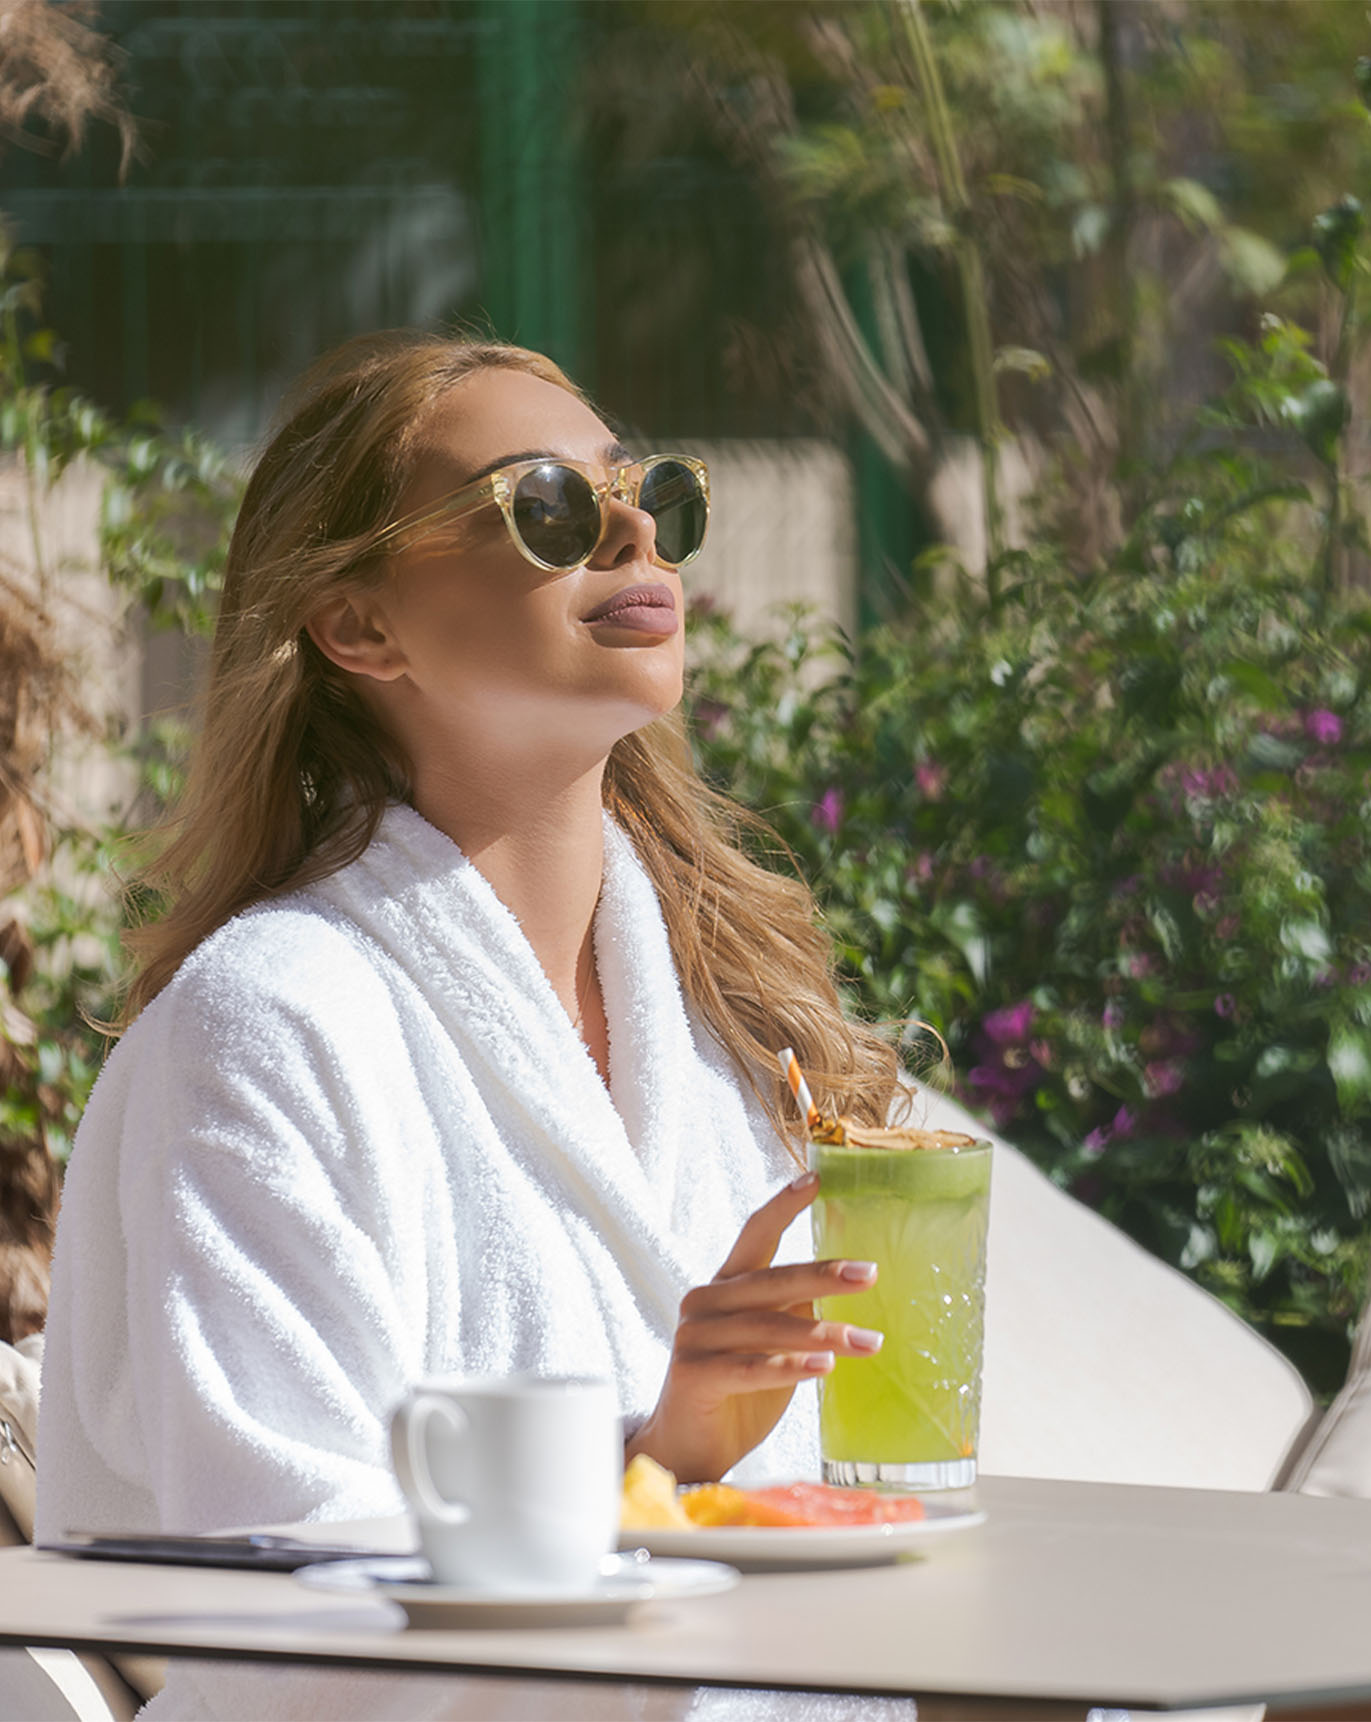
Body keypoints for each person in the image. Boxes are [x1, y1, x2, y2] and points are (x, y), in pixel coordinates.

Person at [35, 330, 911, 1719]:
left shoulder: (731, 1019)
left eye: (652, 494)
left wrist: (673, 1466)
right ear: (359, 624)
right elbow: (279, 1601)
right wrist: (659, 1459)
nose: (634, 528)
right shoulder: (266, 1027)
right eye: (550, 506)